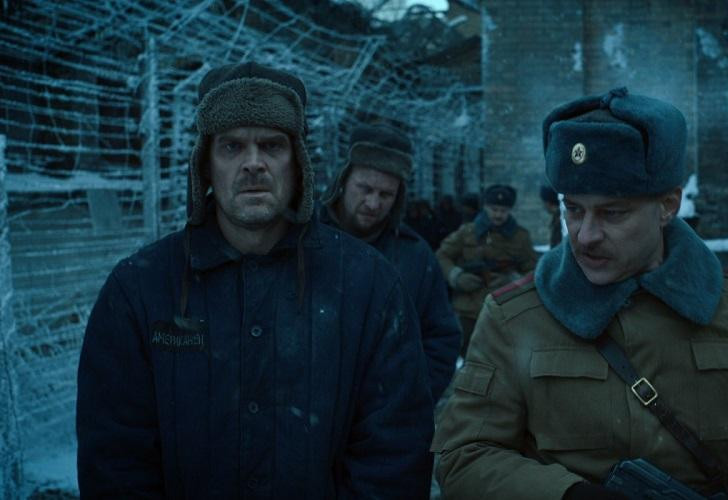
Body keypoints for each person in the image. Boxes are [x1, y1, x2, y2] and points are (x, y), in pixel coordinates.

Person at [76, 62, 434, 499]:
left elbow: (394, 452)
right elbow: (115, 459)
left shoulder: (370, 286)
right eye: (231, 146)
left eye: (272, 145)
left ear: (298, 162)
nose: (253, 164)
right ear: (205, 165)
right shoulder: (139, 290)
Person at [431, 88, 728, 499]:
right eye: (574, 209)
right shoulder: (514, 317)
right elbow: (462, 458)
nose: (585, 235)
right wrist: (567, 495)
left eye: (613, 213)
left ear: (668, 205)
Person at [318, 123, 461, 402]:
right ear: (343, 181)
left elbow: (441, 339)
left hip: (384, 414)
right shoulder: (302, 239)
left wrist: (408, 401)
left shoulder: (415, 256)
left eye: (385, 195)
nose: (373, 203)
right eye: (365, 189)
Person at [436, 184, 537, 356]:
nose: (498, 214)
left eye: (503, 210)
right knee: (467, 358)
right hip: (468, 311)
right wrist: (456, 277)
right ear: (485, 207)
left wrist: (513, 281)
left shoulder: (520, 237)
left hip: (505, 312)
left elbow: (534, 272)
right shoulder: (467, 232)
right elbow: (441, 256)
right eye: (494, 209)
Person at [540, 184, 562, 248]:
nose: (543, 205)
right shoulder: (557, 217)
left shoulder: (560, 220)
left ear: (548, 203)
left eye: (544, 202)